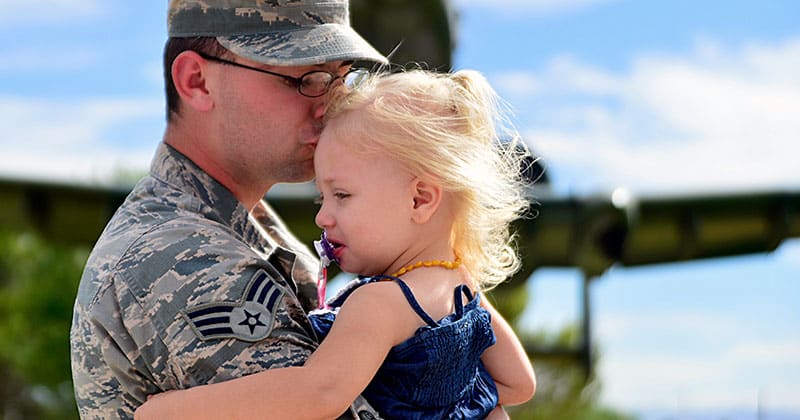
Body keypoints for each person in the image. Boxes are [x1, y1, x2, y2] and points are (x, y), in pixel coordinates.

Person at [134, 69, 537, 419]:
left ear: (419, 199)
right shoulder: (464, 290)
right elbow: (519, 384)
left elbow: (318, 394)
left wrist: (173, 410)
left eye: (341, 195)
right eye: (321, 198)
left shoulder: (382, 304)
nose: (322, 217)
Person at [69, 0, 388, 418]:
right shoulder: (180, 256)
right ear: (196, 81)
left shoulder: (248, 222)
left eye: (341, 78)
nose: (331, 105)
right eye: (306, 78)